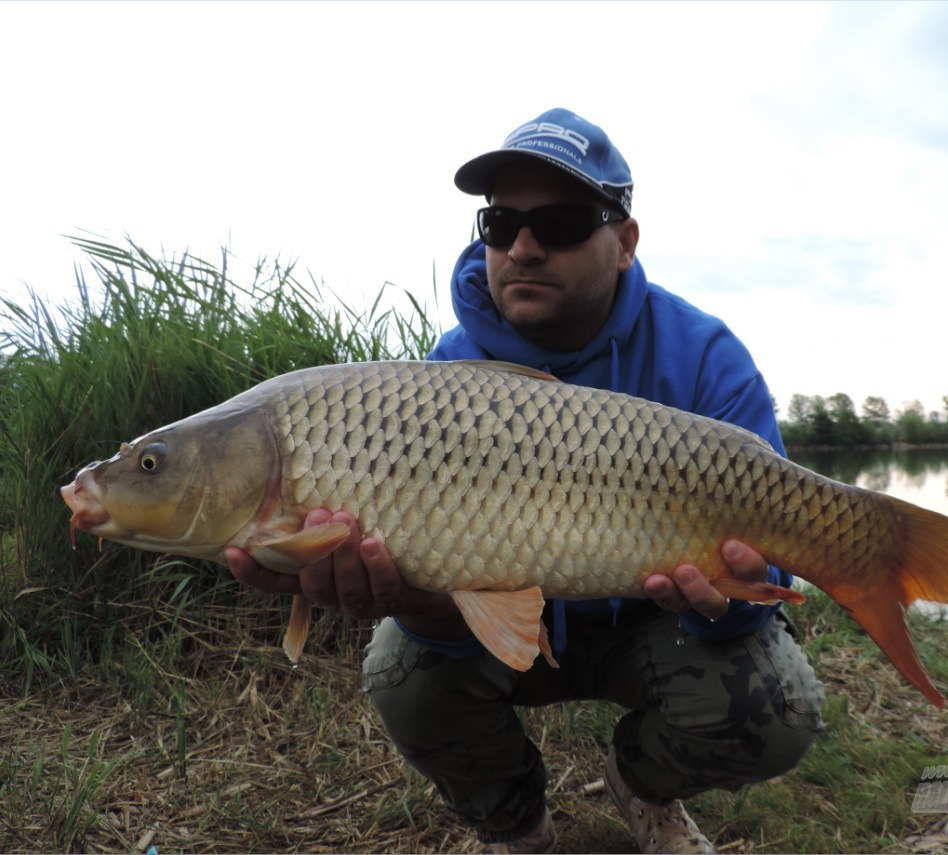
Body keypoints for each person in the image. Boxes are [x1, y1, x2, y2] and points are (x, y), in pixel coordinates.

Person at [227, 108, 825, 854]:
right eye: (500, 223)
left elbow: (765, 580)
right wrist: (413, 601)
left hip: (658, 624)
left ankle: (644, 783)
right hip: (517, 626)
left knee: (778, 701)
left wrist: (729, 602)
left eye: (563, 222)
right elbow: (447, 612)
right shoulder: (444, 376)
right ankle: (517, 827)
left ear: (626, 243)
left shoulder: (703, 357)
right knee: (399, 669)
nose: (524, 247)